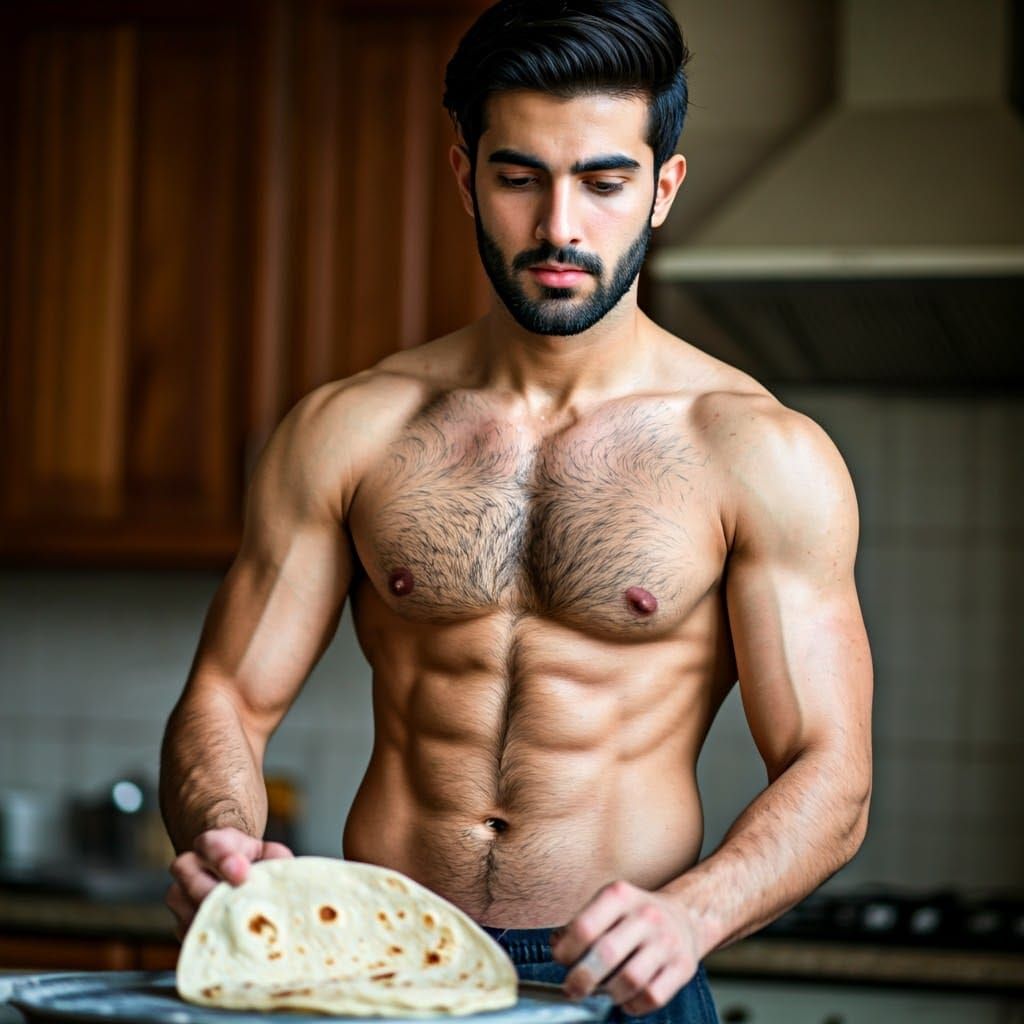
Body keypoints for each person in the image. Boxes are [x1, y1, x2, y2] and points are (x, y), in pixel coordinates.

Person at [159, 2, 873, 1022]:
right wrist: (224, 835)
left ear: (662, 189)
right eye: (519, 178)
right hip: (380, 964)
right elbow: (224, 697)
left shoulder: (756, 453)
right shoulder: (350, 429)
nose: (558, 228)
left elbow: (831, 770)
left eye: (603, 181)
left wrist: (692, 913)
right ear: (465, 176)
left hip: (619, 981)